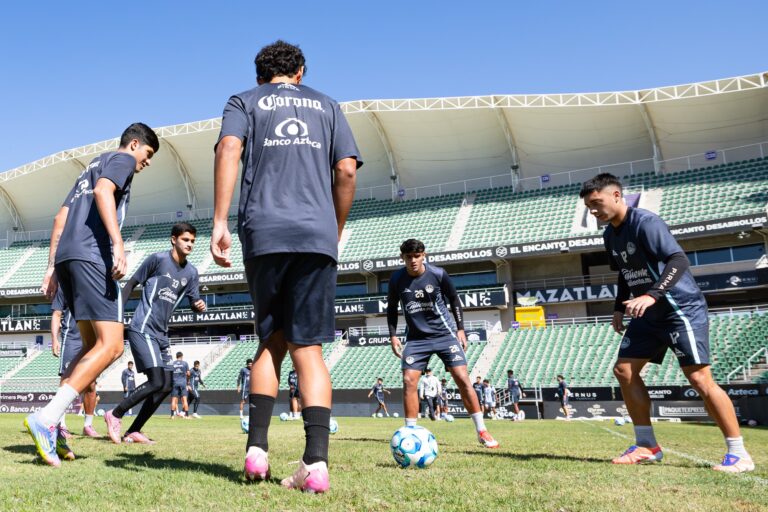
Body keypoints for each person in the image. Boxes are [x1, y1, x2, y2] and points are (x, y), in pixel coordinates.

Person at [210, 39, 361, 492]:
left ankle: (256, 452)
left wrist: (219, 221)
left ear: (260, 75)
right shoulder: (328, 105)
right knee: (308, 349)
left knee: (270, 342)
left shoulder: (244, 101)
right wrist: (333, 227)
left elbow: (229, 149)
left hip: (265, 232)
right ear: (300, 72)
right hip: (316, 235)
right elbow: (348, 170)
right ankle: (315, 465)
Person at [581, 173, 754, 472]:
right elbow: (624, 272)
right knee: (624, 370)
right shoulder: (610, 234)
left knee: (700, 380)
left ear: (617, 196)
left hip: (679, 308)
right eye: (589, 206)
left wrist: (652, 294)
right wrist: (618, 308)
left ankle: (738, 453)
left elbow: (678, 260)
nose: (593, 211)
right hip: (647, 314)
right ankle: (647, 445)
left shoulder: (646, 222)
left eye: (597, 203)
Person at [27, 123, 159, 467]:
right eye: (147, 155)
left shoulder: (90, 164)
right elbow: (103, 193)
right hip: (91, 255)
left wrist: (52, 265)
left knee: (89, 348)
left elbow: (60, 217)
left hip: (68, 257)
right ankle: (46, 418)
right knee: (112, 345)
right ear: (134, 145)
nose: (146, 164)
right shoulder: (122, 160)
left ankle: (53, 424)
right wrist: (117, 244)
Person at [388, 239, 499, 448]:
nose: (413, 260)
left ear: (424, 255)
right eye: (409, 257)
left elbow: (454, 299)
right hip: (416, 338)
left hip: (445, 334)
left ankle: (482, 430)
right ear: (402, 258)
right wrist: (393, 335)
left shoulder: (438, 274)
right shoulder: (396, 279)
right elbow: (391, 308)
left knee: (462, 378)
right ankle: (410, 433)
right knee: (409, 380)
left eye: (417, 256)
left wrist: (460, 329)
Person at [103, 223, 205, 443]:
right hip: (142, 327)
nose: (189, 244)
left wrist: (197, 305)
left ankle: (133, 431)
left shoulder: (192, 272)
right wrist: (117, 318)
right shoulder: (157, 260)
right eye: (185, 239)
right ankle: (115, 414)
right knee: (157, 381)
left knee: (166, 386)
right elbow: (130, 284)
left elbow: (192, 302)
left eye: (193, 241)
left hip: (162, 334)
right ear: (173, 239)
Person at [50, 288, 99, 462]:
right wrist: (55, 339)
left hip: (92, 340)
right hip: (71, 339)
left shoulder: (92, 280)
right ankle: (61, 425)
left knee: (91, 384)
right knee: (66, 379)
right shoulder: (65, 286)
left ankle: (88, 425)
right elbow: (57, 313)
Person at [170, 352, 191, 419]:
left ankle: (172, 415)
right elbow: (188, 374)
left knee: (173, 400)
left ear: (176, 356)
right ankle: (187, 416)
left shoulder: (172, 363)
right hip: (183, 383)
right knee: (184, 400)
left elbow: (169, 374)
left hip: (175, 383)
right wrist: (188, 382)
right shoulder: (185, 363)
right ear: (182, 356)